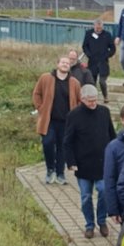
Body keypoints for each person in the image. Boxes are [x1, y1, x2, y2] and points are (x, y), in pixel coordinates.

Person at [63, 84, 116, 238]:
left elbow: (112, 135)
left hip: (102, 163)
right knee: (86, 196)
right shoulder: (74, 115)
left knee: (104, 191)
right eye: (90, 101)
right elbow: (67, 141)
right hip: (83, 164)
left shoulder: (104, 112)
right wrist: (71, 162)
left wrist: (114, 157)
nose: (93, 103)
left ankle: (102, 221)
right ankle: (89, 225)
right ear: (82, 99)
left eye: (95, 100)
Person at [32, 55, 81, 185]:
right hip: (49, 120)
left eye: (67, 63)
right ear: (57, 64)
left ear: (70, 66)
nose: (65, 64)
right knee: (47, 142)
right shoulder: (46, 78)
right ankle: (50, 169)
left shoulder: (74, 83)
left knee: (62, 147)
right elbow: (36, 94)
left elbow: (79, 100)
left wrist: (76, 115)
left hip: (66, 122)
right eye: (63, 62)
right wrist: (40, 108)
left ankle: (60, 173)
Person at [82, 19, 116, 103]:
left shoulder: (107, 35)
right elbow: (85, 46)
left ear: (102, 27)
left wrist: (107, 55)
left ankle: (105, 96)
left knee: (102, 81)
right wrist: (89, 54)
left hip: (103, 62)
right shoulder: (89, 34)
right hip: (92, 61)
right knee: (92, 81)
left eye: (100, 28)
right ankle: (93, 98)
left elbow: (113, 48)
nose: (98, 30)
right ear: (94, 26)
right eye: (97, 28)